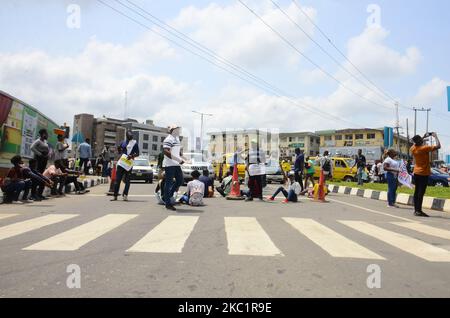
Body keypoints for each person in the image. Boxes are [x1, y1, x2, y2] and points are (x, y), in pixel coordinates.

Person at [410, 133, 441, 217]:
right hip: (423, 173)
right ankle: (419, 211)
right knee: (421, 192)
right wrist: (435, 136)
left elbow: (416, 143)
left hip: (416, 172)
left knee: (416, 192)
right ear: (420, 141)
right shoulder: (424, 148)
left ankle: (416, 210)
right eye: (421, 139)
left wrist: (423, 137)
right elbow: (438, 146)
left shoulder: (413, 148)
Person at [163, 125, 187, 211]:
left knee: (180, 181)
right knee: (169, 183)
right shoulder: (168, 139)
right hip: (170, 164)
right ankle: (167, 203)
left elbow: (178, 152)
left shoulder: (176, 139)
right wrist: (177, 159)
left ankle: (168, 196)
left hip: (176, 164)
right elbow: (166, 151)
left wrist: (184, 159)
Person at [113, 131, 140, 201]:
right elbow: (119, 152)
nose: (131, 137)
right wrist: (119, 149)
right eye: (129, 136)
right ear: (127, 136)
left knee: (128, 181)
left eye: (131, 136)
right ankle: (115, 196)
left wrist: (132, 156)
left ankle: (125, 195)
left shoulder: (135, 143)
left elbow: (138, 153)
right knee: (117, 180)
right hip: (122, 163)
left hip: (128, 164)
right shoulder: (123, 142)